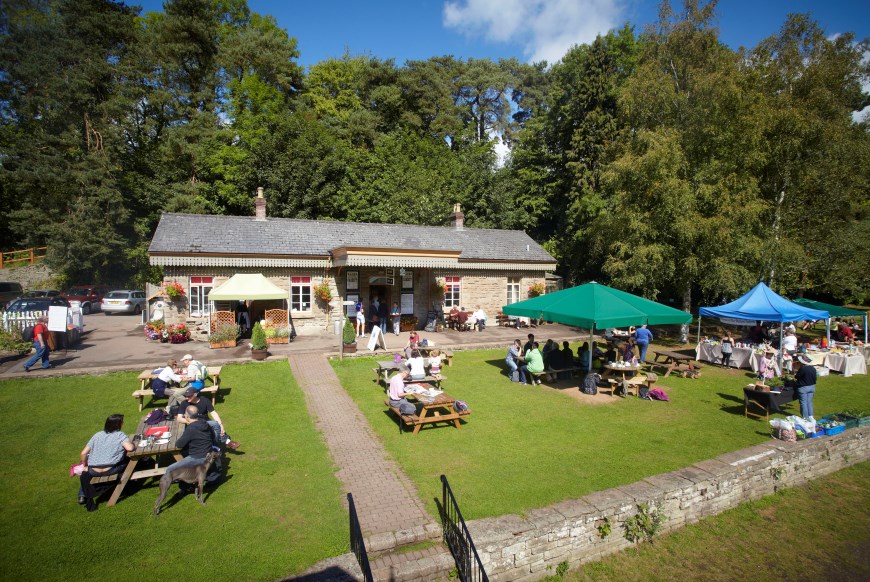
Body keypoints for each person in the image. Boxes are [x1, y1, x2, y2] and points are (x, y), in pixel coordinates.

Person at [78, 414, 135, 511]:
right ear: (118, 424)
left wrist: (85, 465)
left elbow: (83, 453)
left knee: (85, 474)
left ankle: (82, 495)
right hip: (111, 469)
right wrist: (133, 444)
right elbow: (129, 448)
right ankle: (132, 484)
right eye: (122, 422)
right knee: (130, 460)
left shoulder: (97, 435)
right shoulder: (119, 435)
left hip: (93, 470)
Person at [164, 404, 218, 485]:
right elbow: (213, 436)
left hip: (198, 457)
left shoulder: (191, 429)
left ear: (187, 416)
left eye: (185, 414)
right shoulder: (205, 423)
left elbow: (179, 444)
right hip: (208, 453)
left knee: (169, 470)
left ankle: (187, 483)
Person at [176, 387, 240, 449]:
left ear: (195, 394)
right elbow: (179, 418)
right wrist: (191, 422)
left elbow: (213, 413)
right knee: (215, 424)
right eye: (186, 396)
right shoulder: (184, 403)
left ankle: (218, 443)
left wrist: (221, 425)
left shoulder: (205, 401)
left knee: (215, 426)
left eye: (189, 396)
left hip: (206, 421)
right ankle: (225, 441)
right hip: (192, 423)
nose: (187, 398)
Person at [791, 354, 817, 419]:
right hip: (812, 387)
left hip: (803, 387)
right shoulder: (813, 368)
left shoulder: (803, 368)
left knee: (803, 403)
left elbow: (797, 376)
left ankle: (805, 418)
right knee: (809, 403)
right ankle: (811, 417)